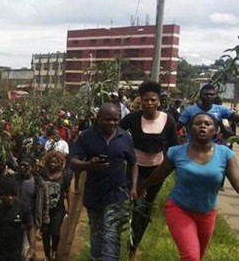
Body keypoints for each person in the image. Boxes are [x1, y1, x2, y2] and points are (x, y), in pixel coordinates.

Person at [138, 112, 239, 261]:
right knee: (191, 257)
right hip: (179, 210)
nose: (202, 126)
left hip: (207, 214)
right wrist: (142, 187)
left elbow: (237, 184)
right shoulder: (177, 152)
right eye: (198, 124)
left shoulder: (225, 154)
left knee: (198, 256)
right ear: (190, 129)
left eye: (207, 124)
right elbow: (160, 174)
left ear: (215, 129)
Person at [119, 81, 179, 258]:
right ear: (141, 100)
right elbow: (117, 134)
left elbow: (174, 146)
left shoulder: (168, 120)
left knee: (146, 207)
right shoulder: (132, 118)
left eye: (153, 99)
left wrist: (171, 166)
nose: (149, 103)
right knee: (135, 203)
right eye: (146, 100)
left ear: (159, 101)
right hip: (135, 168)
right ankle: (129, 240)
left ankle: (134, 244)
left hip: (157, 171)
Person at [70, 103, 138, 260]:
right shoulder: (86, 136)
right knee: (97, 234)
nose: (112, 123)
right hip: (95, 194)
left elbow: (133, 163)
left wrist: (133, 187)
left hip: (117, 194)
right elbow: (73, 161)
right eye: (108, 120)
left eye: (116, 120)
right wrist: (88, 165)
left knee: (112, 235)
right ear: (98, 119)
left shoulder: (125, 137)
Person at [41, 152, 71, 261]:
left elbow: (67, 192)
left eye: (55, 162)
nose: (52, 164)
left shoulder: (64, 177)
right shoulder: (43, 175)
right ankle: (46, 255)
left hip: (58, 209)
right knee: (45, 232)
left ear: (59, 163)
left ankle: (54, 250)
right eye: (50, 162)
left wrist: (69, 206)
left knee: (55, 232)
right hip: (44, 209)